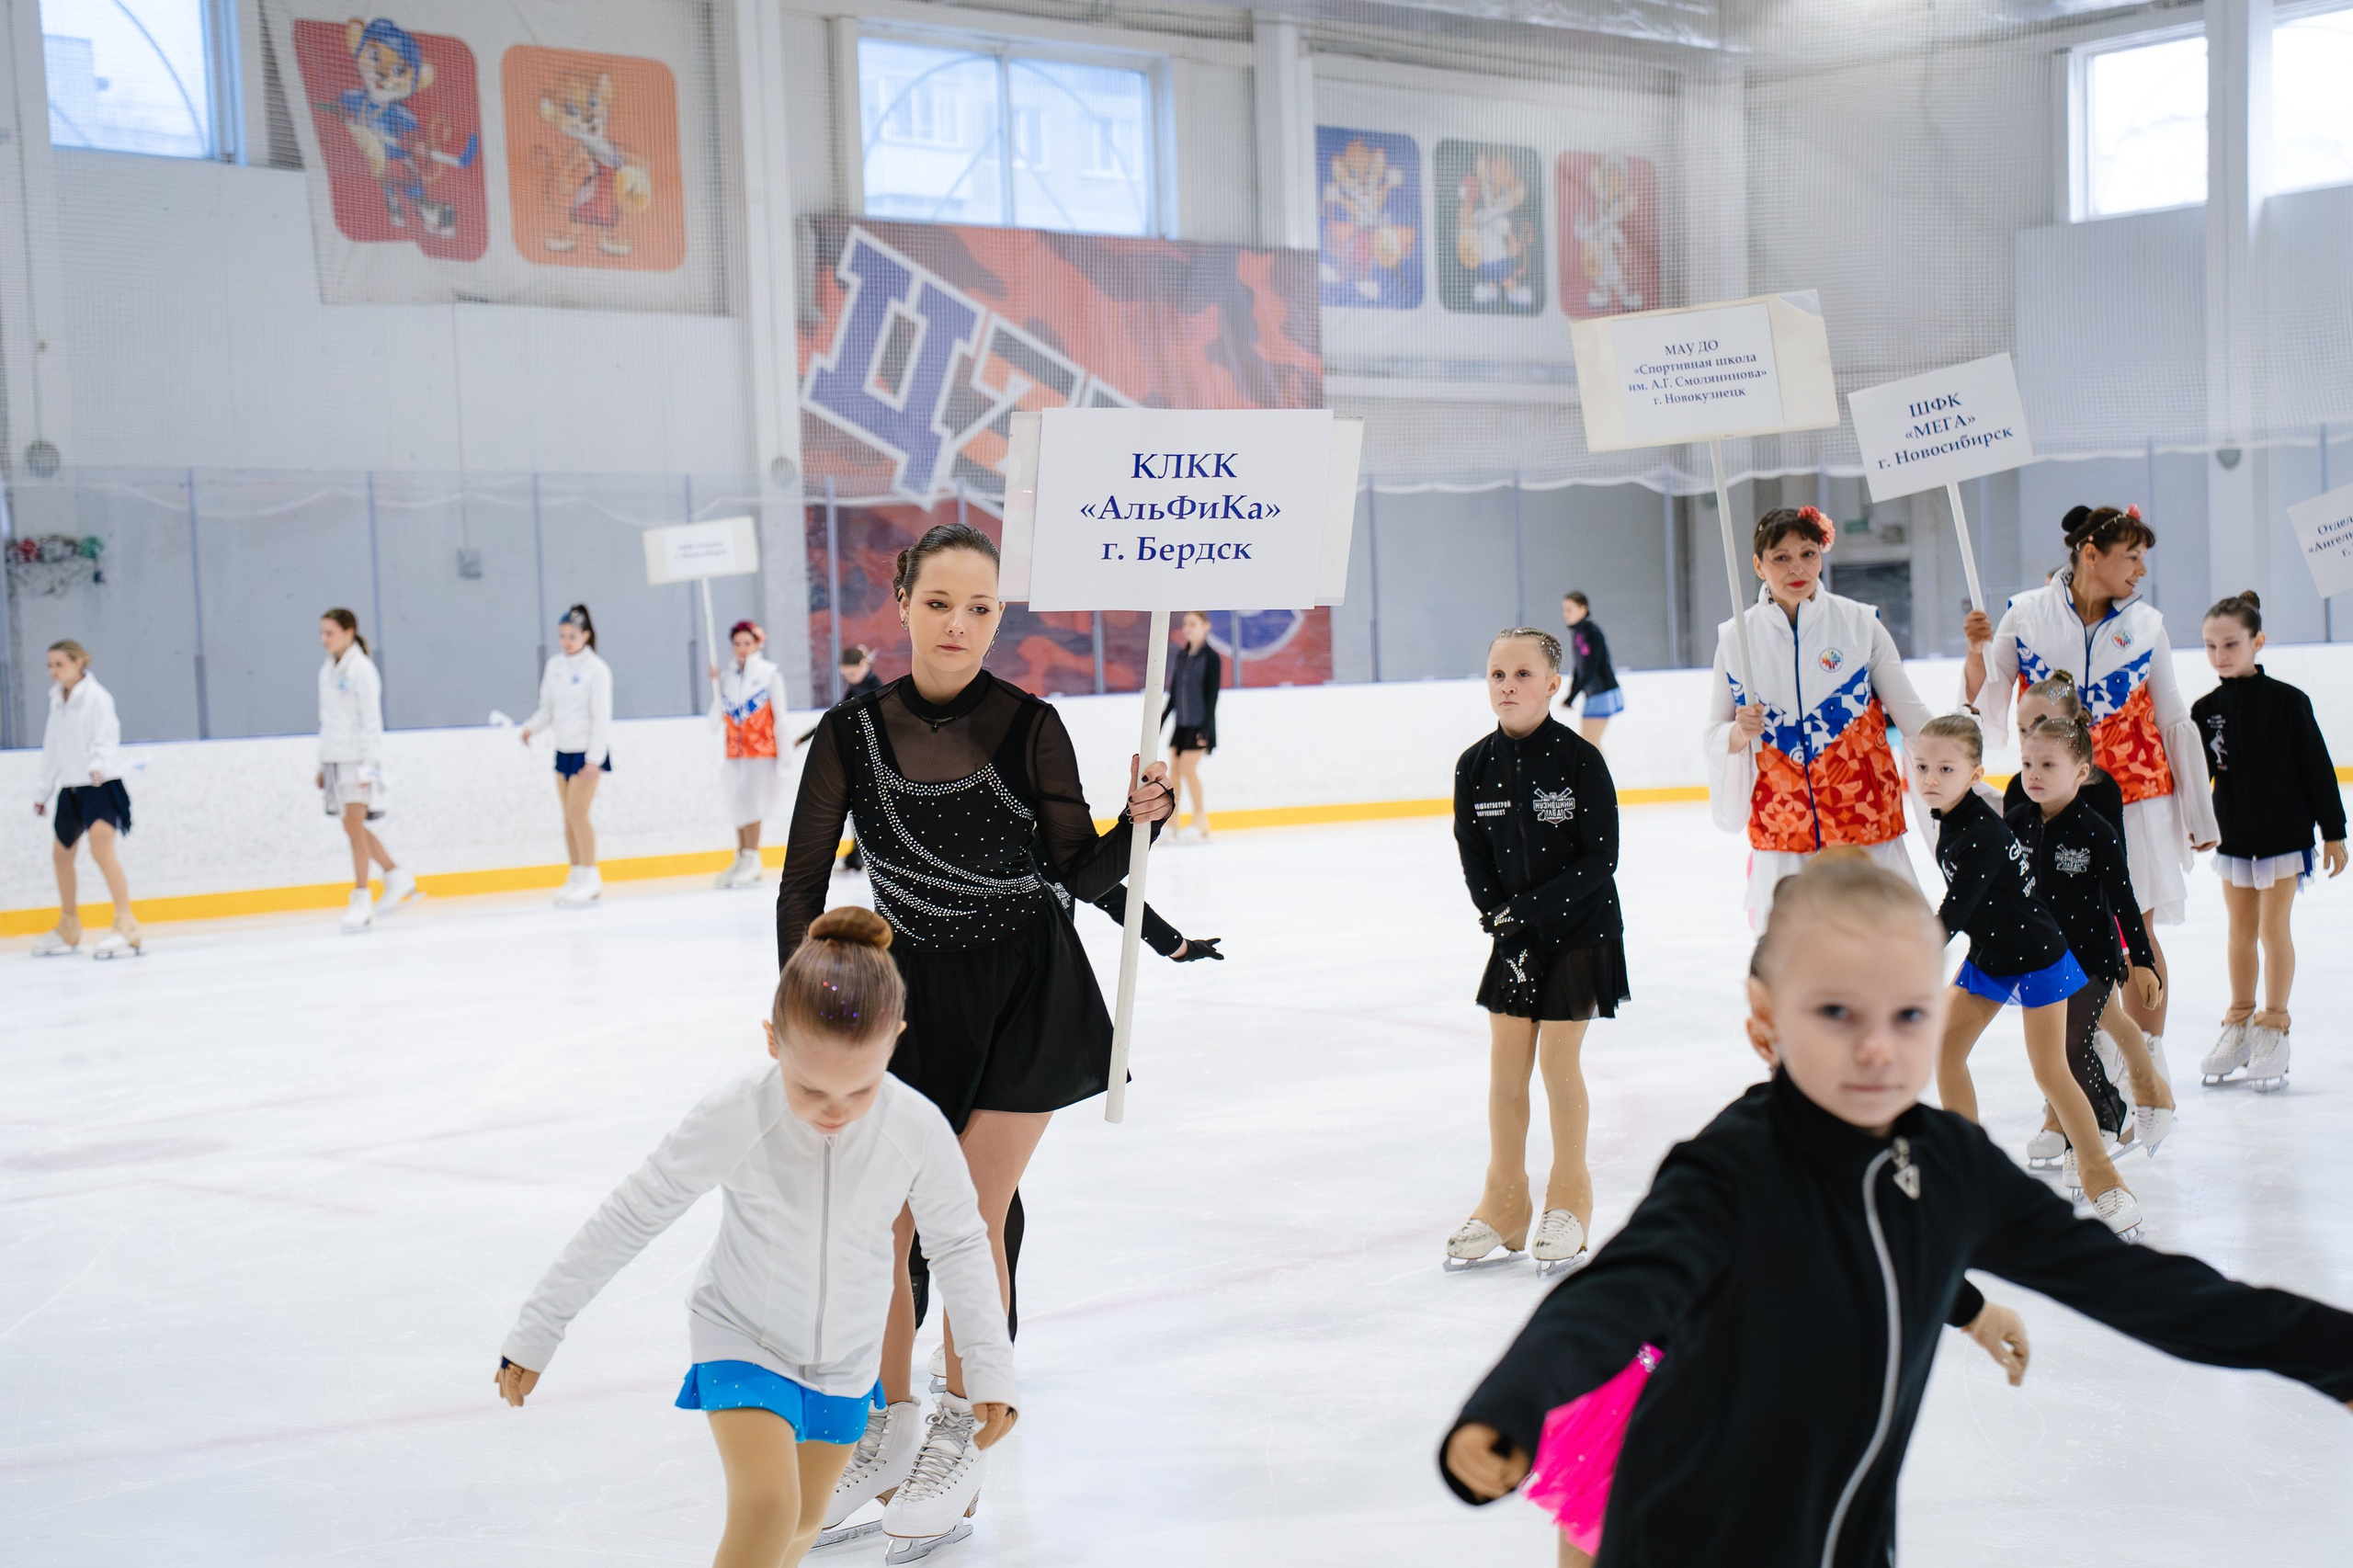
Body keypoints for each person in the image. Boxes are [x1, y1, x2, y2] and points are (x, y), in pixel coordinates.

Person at [1439, 852, 2353, 1568]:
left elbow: (2140, 1288)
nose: (1878, 1047)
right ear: (1765, 1019)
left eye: (1910, 1014)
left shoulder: (1950, 1165)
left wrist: (2332, 1352)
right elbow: (1613, 1296)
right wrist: (1511, 1404)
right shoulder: (1729, 1170)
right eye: (1836, 1010)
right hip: (1688, 1540)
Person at [775, 522, 1173, 1559]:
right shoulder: (848, 733)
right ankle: (884, 1424)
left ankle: (963, 1428)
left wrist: (1141, 821)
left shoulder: (1029, 723)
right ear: (901, 601)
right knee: (886, 1219)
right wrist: (802, 1008)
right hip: (907, 998)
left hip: (1029, 989)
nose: (959, 624)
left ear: (1000, 618)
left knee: (966, 1211)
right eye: (940, 601)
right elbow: (803, 879)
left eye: (981, 607)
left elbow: (1080, 873)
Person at [494, 907, 1016, 1568]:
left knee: (799, 1524)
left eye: (858, 1089)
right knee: (768, 1508)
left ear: (895, 1043)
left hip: (847, 1364)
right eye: (809, 1087)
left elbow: (962, 1247)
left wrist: (991, 1369)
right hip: (742, 1337)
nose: (834, 1111)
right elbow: (631, 1215)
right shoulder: (736, 1115)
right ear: (773, 1042)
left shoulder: (914, 1127)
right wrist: (539, 1330)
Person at [1965, 506, 2218, 1053]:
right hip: (2053, 806)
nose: (2141, 571)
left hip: (2139, 800)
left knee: (2137, 935)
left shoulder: (2146, 625)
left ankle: (2145, 1058)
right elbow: (1988, 712)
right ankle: (2083, 1059)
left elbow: (2174, 717)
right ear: (2090, 553)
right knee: (2063, 934)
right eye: (2132, 557)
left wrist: (2200, 813)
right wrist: (1976, 654)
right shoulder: (2025, 615)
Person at [1909, 713, 2143, 1237]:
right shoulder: (1952, 816)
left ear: (1974, 773)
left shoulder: (1980, 834)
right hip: (1992, 956)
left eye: (1945, 768)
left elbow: (1955, 911)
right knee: (1945, 1050)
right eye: (1922, 766)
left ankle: (2106, 1182)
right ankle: (1969, 1174)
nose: (1929, 778)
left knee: (2050, 1070)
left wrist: (1909, 955)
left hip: (2037, 956)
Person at [1447, 628, 1627, 1275]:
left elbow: (1600, 859)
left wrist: (1522, 912)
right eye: (1497, 675)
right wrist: (1500, 919)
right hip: (1513, 937)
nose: (1508, 687)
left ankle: (1570, 1201)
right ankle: (1504, 1203)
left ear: (1554, 684)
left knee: (1556, 1063)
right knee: (1504, 1073)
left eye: (1523, 675)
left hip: (1582, 933)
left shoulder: (1580, 760)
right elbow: (1474, 855)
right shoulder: (1474, 765)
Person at [1703, 506, 1934, 928]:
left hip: (1864, 821)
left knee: (1879, 942)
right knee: (1797, 953)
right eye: (1781, 557)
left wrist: (1957, 760)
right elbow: (1716, 733)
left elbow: (1914, 718)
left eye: (1808, 554)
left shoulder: (1860, 624)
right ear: (1758, 565)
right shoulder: (1735, 639)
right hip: (1783, 827)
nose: (1798, 568)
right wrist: (1739, 733)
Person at [2192, 591, 2348, 1091]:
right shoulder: (2205, 708)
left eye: (2231, 644)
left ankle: (2274, 1024)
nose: (2221, 655)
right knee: (2239, 929)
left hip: (2284, 834)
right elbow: (2196, 777)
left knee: (2272, 927)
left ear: (2258, 641)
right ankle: (2238, 1022)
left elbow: (2318, 768)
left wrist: (2334, 833)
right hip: (2234, 837)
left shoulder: (2288, 701)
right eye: (2211, 646)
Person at [2006, 710, 2171, 1174]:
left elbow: (2125, 900)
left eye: (2048, 766)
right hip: (2041, 959)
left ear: (2081, 772)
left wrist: (2141, 961)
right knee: (2061, 1047)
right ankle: (2127, 1100)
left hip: (2092, 958)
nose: (2034, 775)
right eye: (2027, 764)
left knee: (2073, 1047)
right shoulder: (2018, 822)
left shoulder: (2095, 831)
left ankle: (2103, 1120)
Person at [29, 640, 141, 959]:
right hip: (71, 788)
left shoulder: (97, 697)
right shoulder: (57, 700)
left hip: (100, 785)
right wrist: (43, 791)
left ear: (79, 662)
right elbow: (53, 748)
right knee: (61, 854)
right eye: (49, 665)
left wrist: (97, 767)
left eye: (59, 664)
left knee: (101, 850)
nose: (53, 671)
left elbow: (107, 737)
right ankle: (68, 925)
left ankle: (126, 924)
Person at [317, 608, 417, 935]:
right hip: (336, 759)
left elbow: (371, 722)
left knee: (355, 829)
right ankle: (395, 874)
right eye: (322, 632)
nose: (324, 639)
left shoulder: (362, 670)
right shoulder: (327, 670)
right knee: (352, 827)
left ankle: (361, 897)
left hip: (357, 761)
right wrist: (323, 763)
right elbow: (328, 720)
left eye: (329, 632)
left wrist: (369, 766)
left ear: (348, 632)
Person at [521, 605, 614, 909]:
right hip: (563, 749)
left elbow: (601, 717)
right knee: (567, 817)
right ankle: (575, 874)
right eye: (562, 636)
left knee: (578, 813)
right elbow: (547, 707)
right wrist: (531, 728)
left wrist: (594, 758)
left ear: (586, 635)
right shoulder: (555, 666)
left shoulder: (597, 670)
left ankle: (591, 875)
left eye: (572, 636)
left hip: (587, 753)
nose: (566, 642)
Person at [711, 619, 784, 892]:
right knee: (738, 802)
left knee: (753, 803)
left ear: (757, 644)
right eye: (737, 644)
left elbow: (780, 714)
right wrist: (716, 684)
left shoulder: (768, 673)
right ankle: (742, 855)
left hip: (761, 750)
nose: (742, 649)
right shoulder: (729, 676)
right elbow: (719, 711)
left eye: (747, 643)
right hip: (735, 750)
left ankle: (752, 856)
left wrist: (783, 752)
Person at [798, 645, 884, 874]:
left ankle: (864, 852)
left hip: (873, 761)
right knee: (857, 807)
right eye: (846, 675)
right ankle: (859, 850)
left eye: (853, 674)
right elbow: (837, 716)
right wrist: (807, 737)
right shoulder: (858, 687)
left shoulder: (876, 690)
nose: (850, 678)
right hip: (858, 758)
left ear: (865, 665)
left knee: (867, 808)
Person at [1162, 609, 1222, 842]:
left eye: (1193, 623)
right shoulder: (1182, 656)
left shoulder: (1211, 658)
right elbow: (1175, 694)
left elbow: (1212, 697)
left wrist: (1206, 730)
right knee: (1174, 773)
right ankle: (1173, 822)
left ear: (1205, 626)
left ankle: (1200, 821)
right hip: (1181, 725)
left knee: (1188, 770)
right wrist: (1161, 721)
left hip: (1199, 725)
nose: (1188, 628)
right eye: (1186, 624)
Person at [1559, 592, 1622, 744]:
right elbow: (1579, 667)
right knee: (1589, 742)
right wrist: (1571, 694)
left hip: (1602, 693)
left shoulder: (1590, 632)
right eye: (1564, 610)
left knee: (1590, 742)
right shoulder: (1579, 633)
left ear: (1582, 609)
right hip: (1595, 694)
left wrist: (1571, 696)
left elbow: (1590, 668)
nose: (1565, 614)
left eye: (1569, 610)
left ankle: (1598, 769)